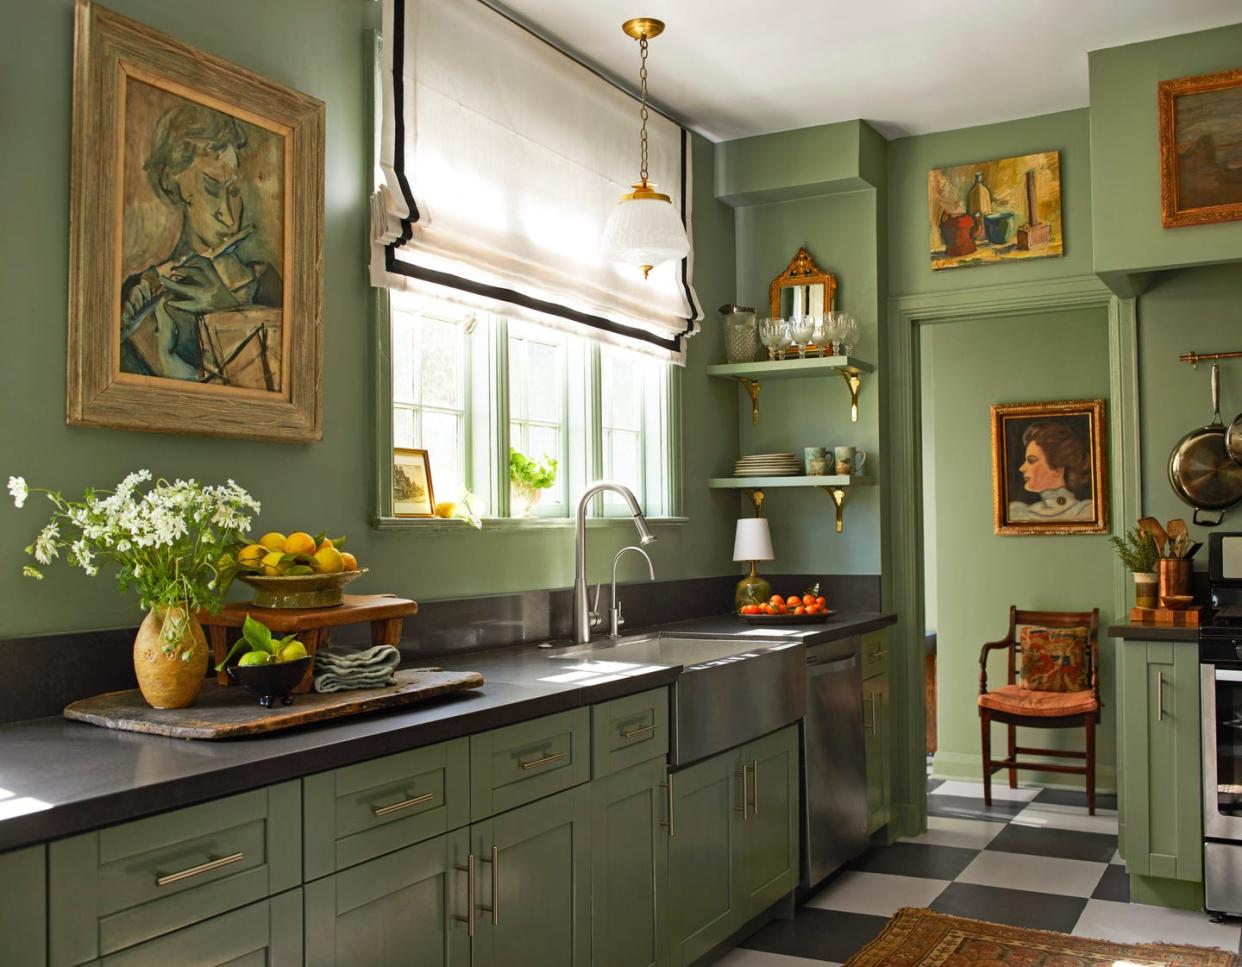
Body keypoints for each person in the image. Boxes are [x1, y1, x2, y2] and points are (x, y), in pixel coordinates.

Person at [120, 101, 282, 385]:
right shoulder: (138, 292)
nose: (229, 215)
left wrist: (227, 308)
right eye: (211, 187)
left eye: (233, 191)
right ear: (174, 183)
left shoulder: (266, 284)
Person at [1007, 421, 1094, 522]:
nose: (1022, 468)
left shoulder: (1086, 511)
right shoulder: (1016, 512)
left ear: (1057, 469)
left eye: (1031, 460)